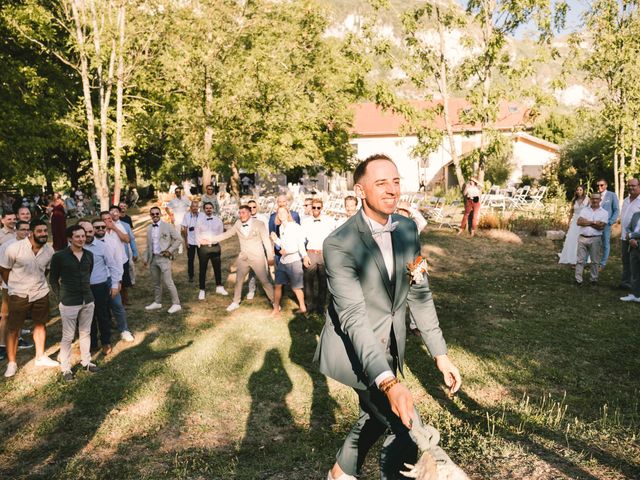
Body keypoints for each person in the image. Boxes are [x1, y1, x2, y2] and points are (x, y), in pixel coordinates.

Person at [314, 154, 461, 480]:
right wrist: (390, 382)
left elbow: (419, 293)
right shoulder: (339, 244)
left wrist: (440, 353)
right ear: (360, 190)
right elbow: (352, 317)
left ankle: (340, 472)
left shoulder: (408, 230)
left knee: (376, 412)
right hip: (355, 349)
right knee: (405, 422)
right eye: (381, 183)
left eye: (396, 181)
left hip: (392, 344)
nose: (392, 190)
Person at [0, 220, 59, 378]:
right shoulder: (15, 248)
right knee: (13, 328)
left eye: (45, 231)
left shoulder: (49, 250)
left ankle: (40, 357)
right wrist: (13, 285)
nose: (43, 234)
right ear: (31, 232)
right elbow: (5, 270)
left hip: (40, 293)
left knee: (40, 324)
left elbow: (45, 271)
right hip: (19, 293)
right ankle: (12, 363)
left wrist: (38, 283)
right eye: (39, 231)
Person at [50, 225, 98, 382]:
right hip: (69, 301)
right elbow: (53, 280)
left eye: (83, 236)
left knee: (85, 333)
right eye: (77, 236)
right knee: (68, 336)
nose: (81, 239)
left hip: (87, 299)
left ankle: (86, 361)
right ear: (70, 238)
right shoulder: (60, 257)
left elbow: (88, 274)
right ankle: (65, 368)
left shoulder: (89, 255)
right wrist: (61, 297)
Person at [209, 205, 275, 312]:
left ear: (249, 213)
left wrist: (270, 257)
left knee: (265, 281)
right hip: (243, 258)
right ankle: (236, 302)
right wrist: (210, 240)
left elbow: (266, 242)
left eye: (243, 212)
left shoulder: (259, 224)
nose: (241, 215)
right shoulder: (238, 224)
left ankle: (274, 302)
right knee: (239, 281)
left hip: (258, 258)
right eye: (239, 213)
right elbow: (226, 234)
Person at [81, 220, 122, 355]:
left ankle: (106, 342)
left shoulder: (102, 247)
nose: (87, 235)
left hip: (100, 287)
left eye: (90, 231)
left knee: (102, 316)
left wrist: (115, 284)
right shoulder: (76, 247)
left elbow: (113, 266)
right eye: (84, 232)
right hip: (83, 288)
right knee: (87, 317)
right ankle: (92, 343)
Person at [92, 216, 134, 343]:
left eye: (102, 227)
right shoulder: (88, 244)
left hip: (111, 279)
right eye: (97, 227)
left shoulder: (112, 241)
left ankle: (124, 330)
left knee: (117, 305)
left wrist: (118, 282)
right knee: (98, 309)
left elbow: (118, 262)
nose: (100, 229)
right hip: (95, 281)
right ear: (92, 229)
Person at [0, 221, 33, 360]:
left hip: (25, 286)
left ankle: (18, 339)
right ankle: (2, 346)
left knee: (20, 314)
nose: (25, 232)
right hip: (9, 286)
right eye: (22, 229)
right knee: (6, 315)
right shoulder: (8, 246)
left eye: (27, 230)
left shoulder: (32, 246)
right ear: (16, 231)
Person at [270, 206, 309, 315]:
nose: (281, 214)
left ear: (288, 213)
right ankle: (276, 309)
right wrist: (276, 240)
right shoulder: (281, 227)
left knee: (296, 288)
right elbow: (283, 245)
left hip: (294, 261)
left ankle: (303, 308)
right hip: (283, 261)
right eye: (279, 212)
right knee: (277, 285)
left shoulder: (295, 226)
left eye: (283, 212)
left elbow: (300, 244)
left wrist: (304, 256)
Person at [144, 206, 182, 314]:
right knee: (156, 282)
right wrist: (146, 258)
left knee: (168, 281)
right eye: (153, 214)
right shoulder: (149, 228)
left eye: (157, 213)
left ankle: (176, 304)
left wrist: (169, 250)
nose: (155, 215)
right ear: (150, 215)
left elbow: (179, 239)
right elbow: (148, 245)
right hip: (153, 259)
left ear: (160, 214)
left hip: (164, 258)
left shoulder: (167, 226)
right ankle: (157, 302)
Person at [301, 199, 335, 313]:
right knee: (308, 281)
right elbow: (300, 241)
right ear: (311, 208)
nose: (316, 209)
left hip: (323, 253)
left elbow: (334, 236)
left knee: (323, 282)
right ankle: (309, 307)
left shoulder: (329, 221)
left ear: (322, 208)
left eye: (318, 207)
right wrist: (304, 256)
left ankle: (320, 307)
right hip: (310, 253)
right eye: (314, 207)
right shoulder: (305, 222)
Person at [195, 201, 228, 300]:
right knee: (203, 269)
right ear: (204, 210)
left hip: (215, 247)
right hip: (203, 248)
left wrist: (213, 240)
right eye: (207, 208)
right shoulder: (199, 221)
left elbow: (220, 234)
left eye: (210, 208)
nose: (209, 209)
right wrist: (200, 243)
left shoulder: (218, 220)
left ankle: (219, 286)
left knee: (217, 267)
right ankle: (202, 290)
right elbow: (197, 234)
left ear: (213, 209)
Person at [575, 193, 609, 285]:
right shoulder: (584, 210)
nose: (594, 200)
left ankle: (593, 279)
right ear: (590, 199)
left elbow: (601, 227)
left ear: (600, 200)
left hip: (595, 239)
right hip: (582, 238)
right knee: (580, 260)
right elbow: (579, 222)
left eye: (596, 199)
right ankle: (578, 279)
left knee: (595, 261)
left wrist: (587, 222)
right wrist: (594, 222)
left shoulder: (604, 212)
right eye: (593, 198)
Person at [558, 185, 590, 265]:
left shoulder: (587, 199)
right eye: (577, 190)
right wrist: (568, 221)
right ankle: (571, 256)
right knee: (572, 238)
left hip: (583, 221)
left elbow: (589, 211)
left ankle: (582, 257)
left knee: (581, 239)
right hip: (575, 222)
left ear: (583, 191)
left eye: (580, 190)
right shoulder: (574, 200)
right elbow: (571, 212)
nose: (579, 191)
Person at [619, 178, 640, 289]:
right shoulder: (626, 199)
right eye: (629, 186)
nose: (631, 187)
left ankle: (635, 286)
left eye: (633, 185)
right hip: (624, 236)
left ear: (639, 186)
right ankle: (625, 282)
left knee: (635, 262)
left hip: (636, 238)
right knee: (626, 260)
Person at [596, 179, 619, 270]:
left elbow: (616, 210)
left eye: (601, 185)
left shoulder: (612, 195)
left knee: (605, 244)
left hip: (606, 224)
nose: (599, 187)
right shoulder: (596, 195)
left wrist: (610, 222)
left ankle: (603, 263)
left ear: (606, 185)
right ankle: (593, 261)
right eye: (598, 185)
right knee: (595, 243)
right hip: (595, 224)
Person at [621, 208, 640, 302]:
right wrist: (631, 239)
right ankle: (635, 294)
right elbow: (628, 227)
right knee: (634, 271)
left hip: (637, 242)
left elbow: (634, 233)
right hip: (633, 246)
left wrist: (632, 236)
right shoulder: (636, 214)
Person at [181, 200, 202, 283]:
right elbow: (184, 230)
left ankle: (202, 274)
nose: (195, 208)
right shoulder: (186, 216)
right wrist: (186, 242)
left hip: (200, 241)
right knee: (190, 260)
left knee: (202, 259)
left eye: (196, 207)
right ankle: (191, 276)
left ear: (198, 208)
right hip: (190, 241)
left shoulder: (202, 216)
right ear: (190, 208)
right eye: (193, 206)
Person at [166, 187, 190, 254]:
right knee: (178, 234)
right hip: (177, 220)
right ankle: (180, 248)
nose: (178, 193)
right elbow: (166, 208)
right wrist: (171, 216)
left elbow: (191, 206)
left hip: (185, 219)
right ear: (175, 193)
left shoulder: (185, 199)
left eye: (179, 191)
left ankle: (188, 246)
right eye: (176, 192)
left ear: (181, 192)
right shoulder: (173, 201)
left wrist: (189, 213)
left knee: (187, 233)